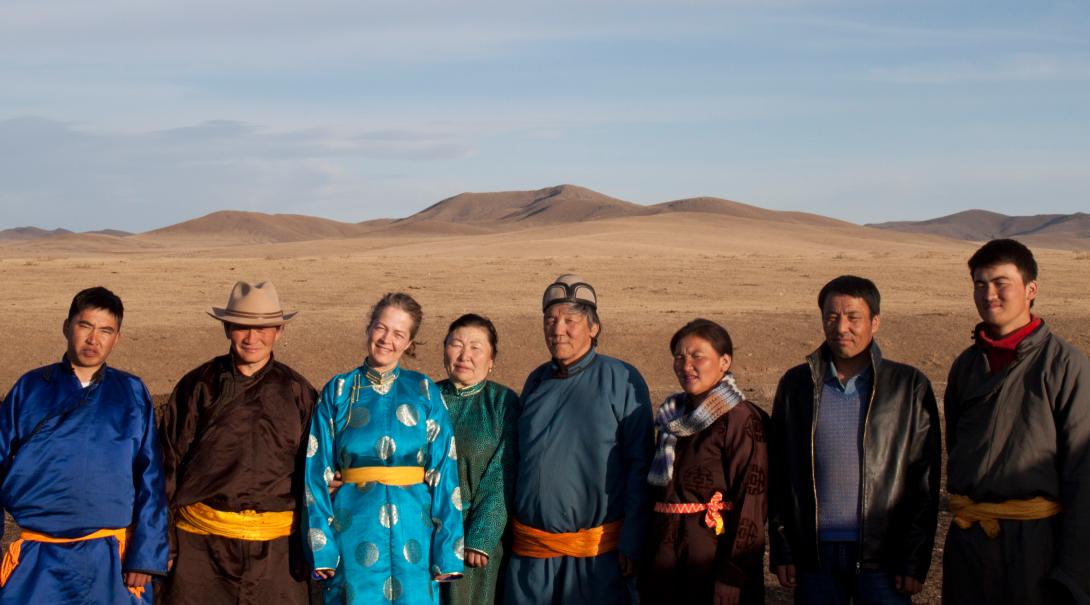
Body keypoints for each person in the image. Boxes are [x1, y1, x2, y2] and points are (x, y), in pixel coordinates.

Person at [769, 275, 941, 605]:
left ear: (875, 321)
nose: (841, 327)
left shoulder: (908, 386)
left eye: (853, 317)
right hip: (814, 554)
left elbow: (924, 481)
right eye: (832, 317)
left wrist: (914, 559)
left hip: (883, 556)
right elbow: (781, 473)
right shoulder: (796, 385)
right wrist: (783, 547)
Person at [943, 239, 1090, 605]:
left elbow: (1084, 476)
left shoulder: (1065, 365)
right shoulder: (966, 365)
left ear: (1030, 289)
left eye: (1000, 282)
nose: (988, 293)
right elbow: (958, 448)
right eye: (979, 283)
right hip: (969, 540)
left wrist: (1072, 574)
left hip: (1036, 546)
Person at [0, 286, 168, 604]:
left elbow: (151, 476)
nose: (94, 340)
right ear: (67, 327)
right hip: (38, 556)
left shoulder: (131, 392)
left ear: (117, 337)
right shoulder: (30, 388)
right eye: (85, 326)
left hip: (111, 557)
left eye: (106, 330)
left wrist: (146, 555)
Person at [159, 280, 318, 604]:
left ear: (279, 331)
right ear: (227, 328)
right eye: (242, 327)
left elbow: (315, 473)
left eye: (263, 328)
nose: (252, 338)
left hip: (277, 554)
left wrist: (311, 544)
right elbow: (166, 466)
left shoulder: (298, 391)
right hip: (200, 551)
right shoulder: (198, 386)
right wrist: (163, 543)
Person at [305, 292, 464, 604]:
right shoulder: (339, 389)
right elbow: (315, 472)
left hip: (414, 531)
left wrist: (448, 553)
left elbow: (446, 471)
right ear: (369, 328)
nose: (386, 339)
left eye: (399, 334)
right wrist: (322, 547)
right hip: (353, 528)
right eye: (381, 328)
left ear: (409, 344)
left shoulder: (424, 390)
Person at [504, 273, 653, 605]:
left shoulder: (622, 379)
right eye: (550, 320)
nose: (558, 329)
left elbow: (639, 463)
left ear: (594, 328)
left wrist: (633, 539)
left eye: (570, 320)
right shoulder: (536, 380)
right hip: (530, 557)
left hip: (596, 558)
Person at [639, 319, 768, 605]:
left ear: (724, 361)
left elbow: (752, 500)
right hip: (665, 559)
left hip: (713, 560)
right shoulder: (670, 417)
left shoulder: (741, 419)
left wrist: (732, 573)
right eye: (679, 357)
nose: (686, 366)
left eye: (697, 356)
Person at [436, 313, 518, 605]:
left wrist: (480, 538)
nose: (464, 355)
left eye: (475, 347)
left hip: (473, 540)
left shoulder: (502, 403)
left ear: (491, 360)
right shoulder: (425, 398)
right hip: (424, 532)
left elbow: (501, 474)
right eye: (456, 344)